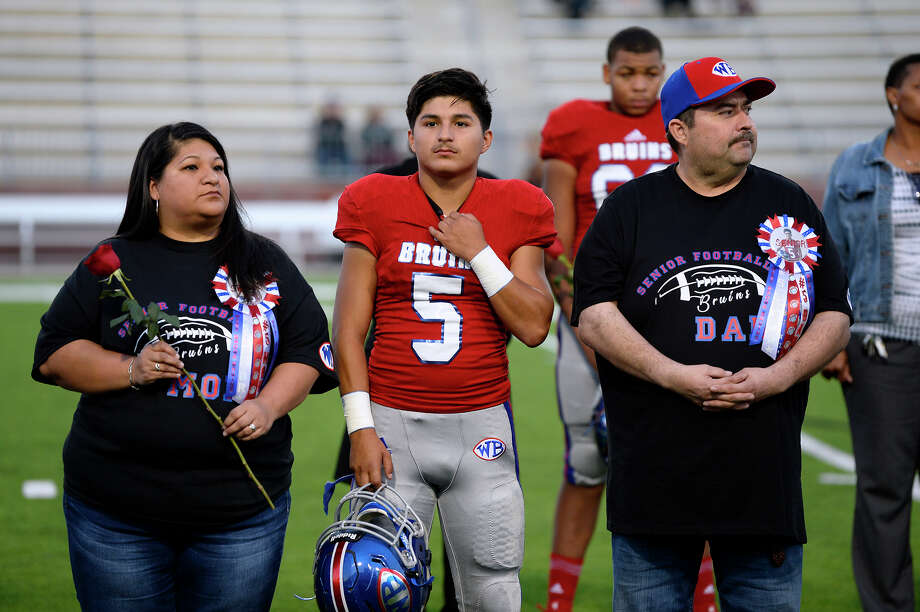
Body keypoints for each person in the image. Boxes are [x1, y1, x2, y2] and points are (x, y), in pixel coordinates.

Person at [571, 57, 852, 610]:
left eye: (746, 109)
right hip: (653, 484)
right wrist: (672, 375)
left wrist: (777, 378)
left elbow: (835, 313)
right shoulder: (629, 208)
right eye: (725, 111)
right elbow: (594, 314)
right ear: (679, 129)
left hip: (761, 484)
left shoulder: (789, 203)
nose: (744, 122)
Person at [32, 122, 338, 611]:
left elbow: (309, 351)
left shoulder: (264, 261)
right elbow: (54, 354)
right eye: (191, 167)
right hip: (115, 515)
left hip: (241, 516)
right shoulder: (114, 262)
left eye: (219, 167)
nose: (212, 177)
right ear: (153, 186)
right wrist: (131, 368)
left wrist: (268, 405)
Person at [332, 68, 556, 611]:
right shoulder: (374, 199)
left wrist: (479, 251)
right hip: (390, 427)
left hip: (479, 425)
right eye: (430, 122)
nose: (445, 134)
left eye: (461, 122)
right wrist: (360, 430)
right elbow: (347, 328)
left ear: (486, 138)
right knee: (374, 594)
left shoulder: (519, 204)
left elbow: (533, 325)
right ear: (410, 138)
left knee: (494, 589)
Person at [538, 25, 714, 612]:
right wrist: (585, 317)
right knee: (587, 463)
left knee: (692, 459)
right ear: (606, 72)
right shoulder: (571, 124)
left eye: (650, 73)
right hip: (595, 309)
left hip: (675, 309)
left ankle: (703, 594)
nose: (639, 85)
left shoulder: (685, 124)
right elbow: (555, 238)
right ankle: (559, 599)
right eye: (627, 72)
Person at [821, 53, 920, 612]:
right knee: (884, 489)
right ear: (893, 95)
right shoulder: (856, 165)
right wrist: (835, 339)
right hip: (882, 347)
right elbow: (829, 258)